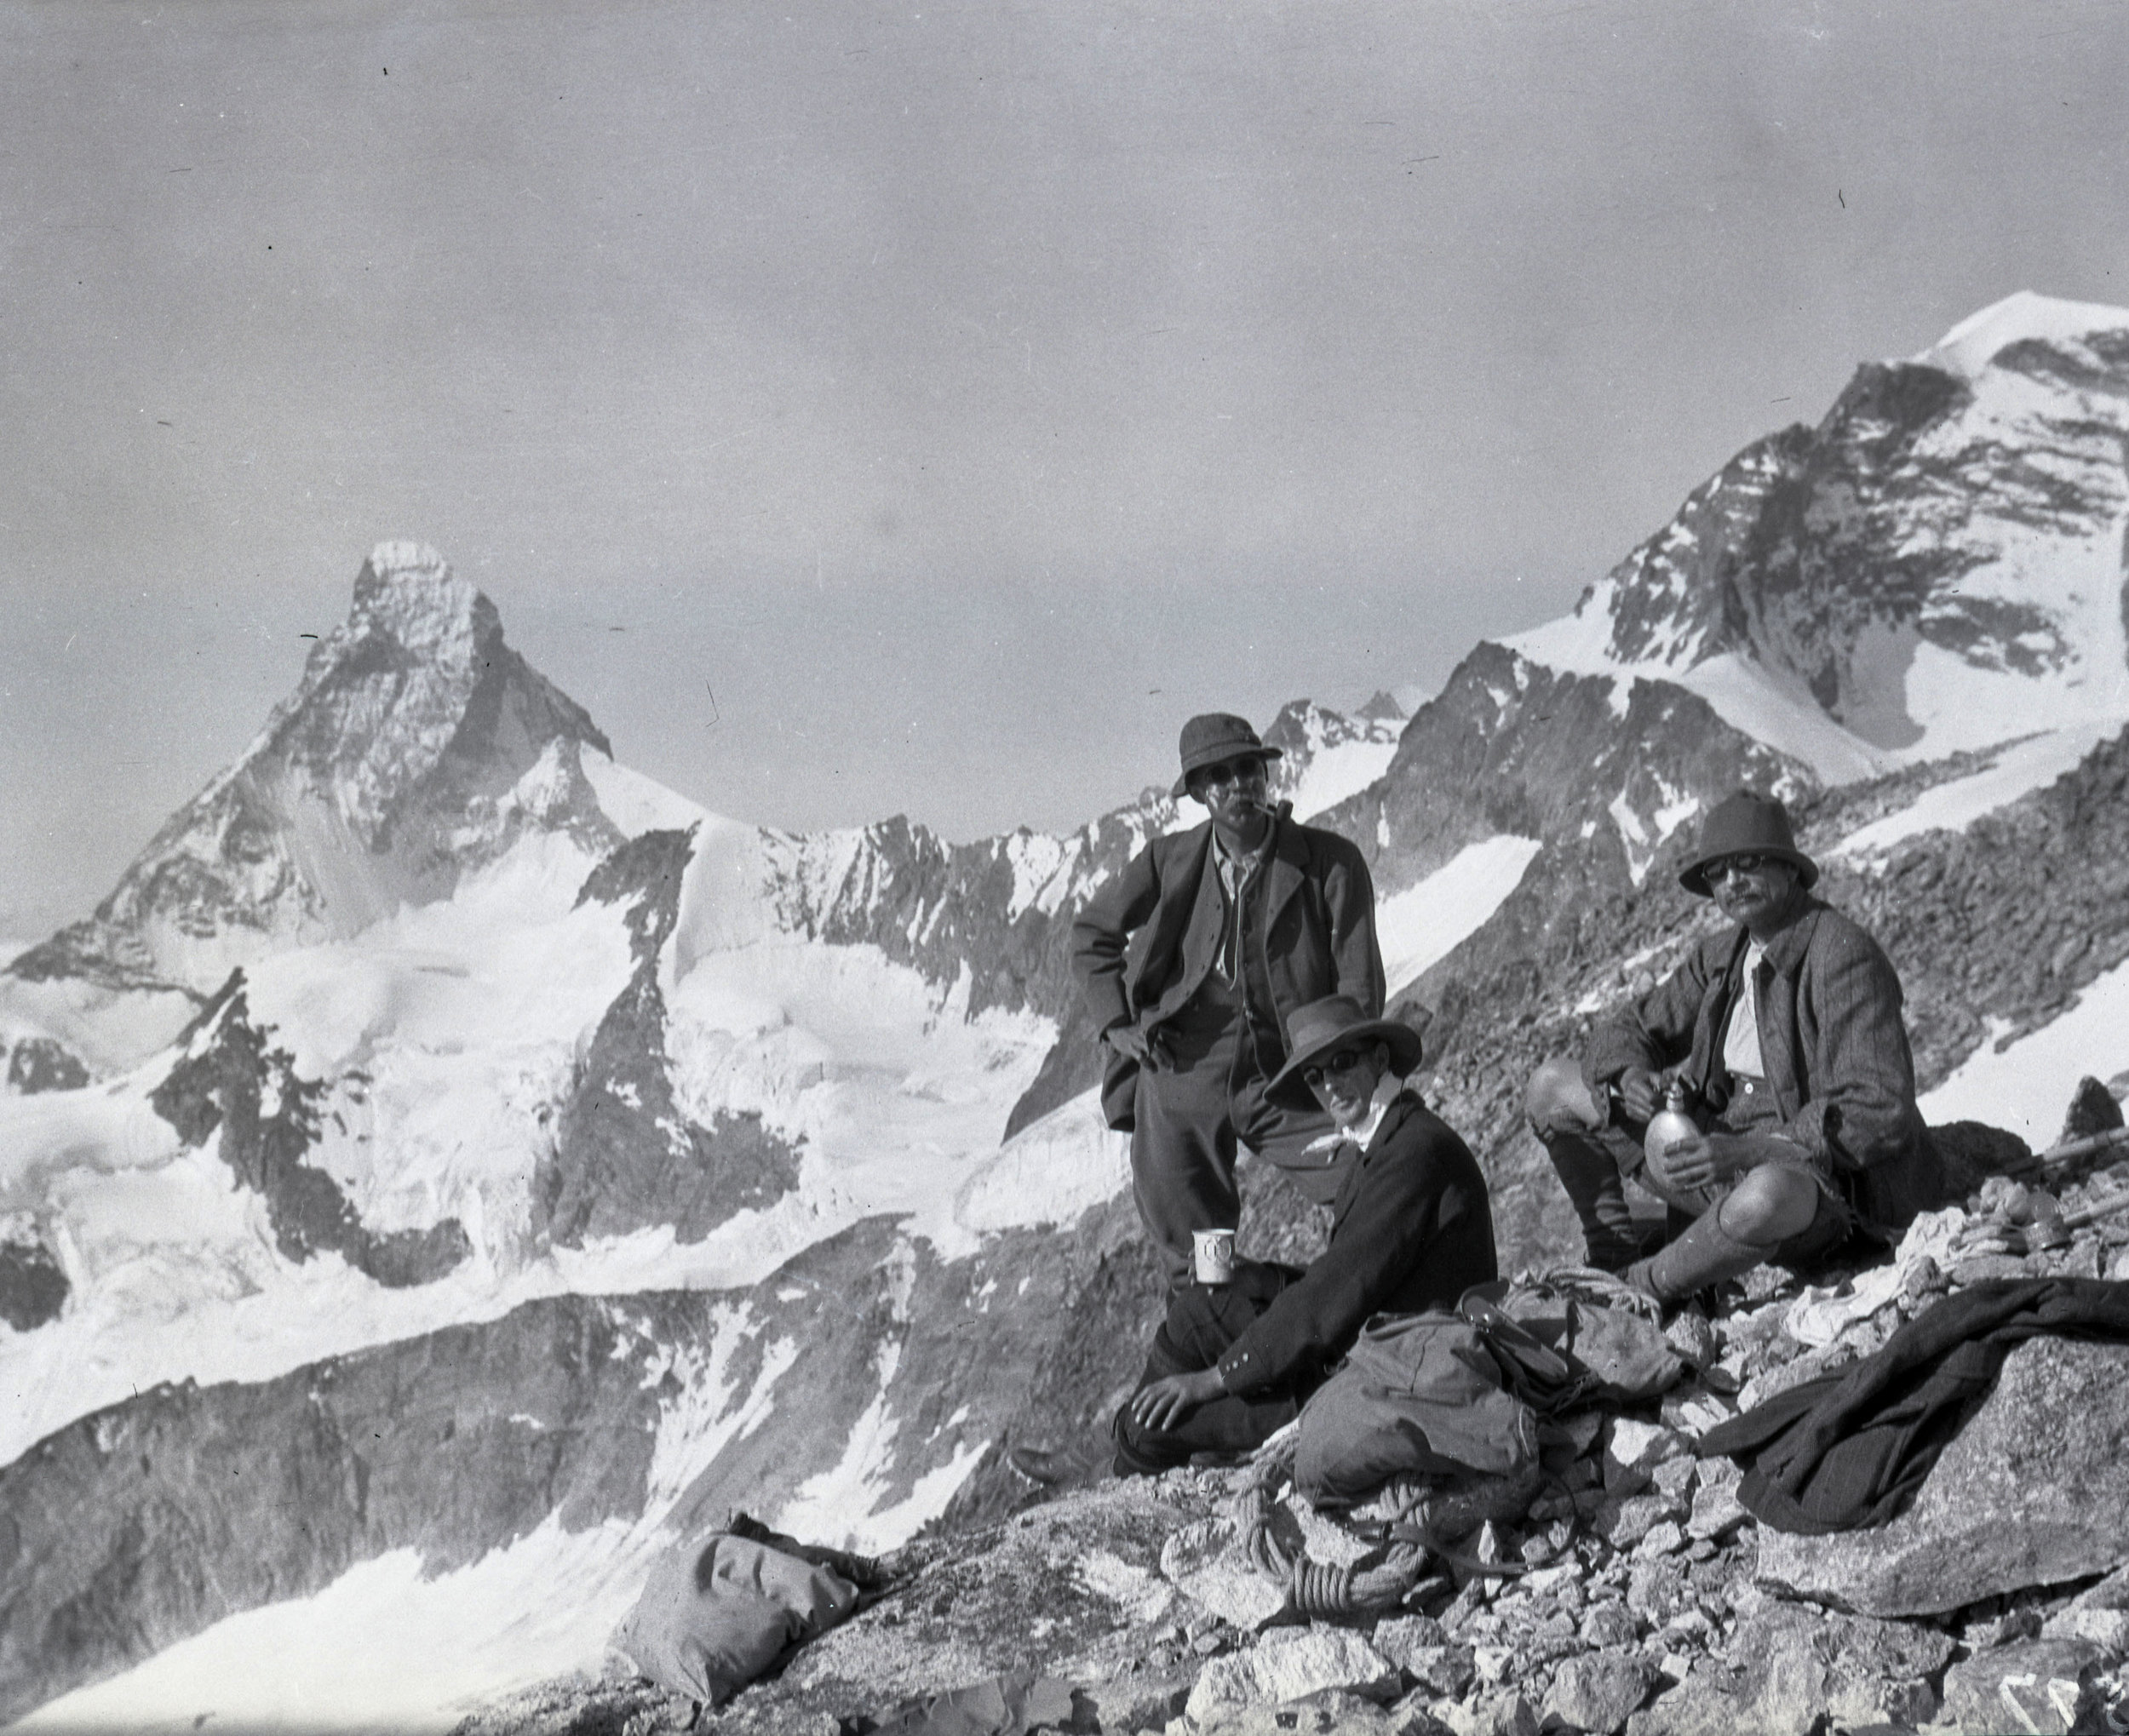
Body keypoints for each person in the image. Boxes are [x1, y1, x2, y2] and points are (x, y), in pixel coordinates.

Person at [1525, 789, 1942, 1306]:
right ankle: (1614, 1256)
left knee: (1766, 1195)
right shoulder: (1723, 955)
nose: (1732, 883)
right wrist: (1630, 1075)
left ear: (1790, 871)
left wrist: (1750, 1151)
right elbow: (1629, 1027)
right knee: (1552, 1089)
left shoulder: (1841, 955)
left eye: (1749, 864)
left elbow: (1880, 1110)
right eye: (1719, 873)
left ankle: (1643, 1287)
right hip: (1710, 1158)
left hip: (1820, 1192)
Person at [1112, 994, 1497, 1475]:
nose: (1330, 1086)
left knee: (1148, 1429)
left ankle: (1124, 1466)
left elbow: (1332, 1297)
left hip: (1391, 1377)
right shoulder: (1390, 1140)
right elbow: (1354, 1281)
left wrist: (1215, 1380)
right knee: (1197, 1309)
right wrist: (1257, 1277)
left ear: (1380, 1058)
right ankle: (1132, 1451)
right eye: (1315, 1076)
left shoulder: (1412, 1155)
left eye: (1341, 1063)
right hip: (1369, 1345)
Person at [1070, 713, 1385, 1292]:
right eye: (1219, 776)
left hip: (1293, 1067)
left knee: (1370, 1178)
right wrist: (1116, 1024)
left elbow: (1360, 984)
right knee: (1192, 1245)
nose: (1239, 785)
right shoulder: (1169, 861)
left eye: (1247, 769)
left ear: (1266, 775)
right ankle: (1216, 1341)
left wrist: (1356, 1073)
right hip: (1185, 1068)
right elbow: (1092, 934)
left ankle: (1366, 1313)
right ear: (1198, 793)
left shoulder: (1330, 862)